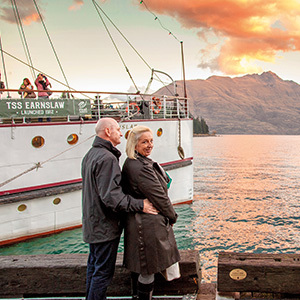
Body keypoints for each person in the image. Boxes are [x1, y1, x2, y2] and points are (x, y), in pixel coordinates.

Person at [81, 118, 158, 300]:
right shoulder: (107, 158)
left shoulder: (90, 154)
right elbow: (111, 198)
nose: (120, 133)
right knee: (102, 274)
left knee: (94, 268)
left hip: (93, 223)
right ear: (108, 132)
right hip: (105, 226)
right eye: (117, 129)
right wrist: (141, 204)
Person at [121, 125, 180, 300]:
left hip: (140, 223)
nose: (149, 145)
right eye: (144, 142)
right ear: (134, 144)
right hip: (146, 226)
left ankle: (138, 297)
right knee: (148, 268)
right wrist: (172, 216)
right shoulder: (140, 167)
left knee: (141, 266)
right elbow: (159, 196)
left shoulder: (133, 162)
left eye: (151, 141)